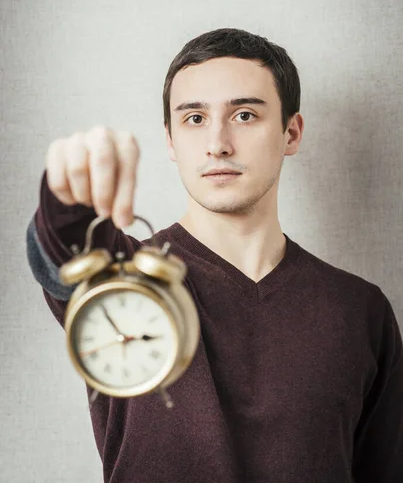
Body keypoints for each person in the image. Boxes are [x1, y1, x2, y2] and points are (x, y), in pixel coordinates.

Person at [26, 28, 403, 483]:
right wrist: (67, 191)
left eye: (244, 115)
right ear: (169, 139)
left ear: (291, 132)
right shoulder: (124, 281)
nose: (217, 143)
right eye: (195, 119)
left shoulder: (360, 309)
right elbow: (63, 245)